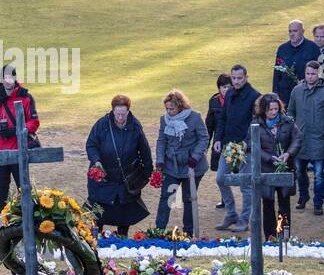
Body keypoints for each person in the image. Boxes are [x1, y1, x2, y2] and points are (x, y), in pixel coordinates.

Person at [85, 95, 153, 236]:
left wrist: (148, 173)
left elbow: (145, 151)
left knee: (124, 214)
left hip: (125, 179)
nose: (121, 117)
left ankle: (122, 240)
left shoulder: (135, 126)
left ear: (128, 111)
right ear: (113, 111)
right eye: (118, 114)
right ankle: (94, 241)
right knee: (99, 213)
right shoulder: (102, 124)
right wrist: (96, 162)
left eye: (123, 114)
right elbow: (91, 144)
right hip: (104, 179)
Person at [154, 90, 209, 236]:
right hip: (172, 166)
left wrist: (195, 157)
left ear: (180, 106)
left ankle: (189, 233)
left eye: (172, 108)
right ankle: (159, 230)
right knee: (167, 197)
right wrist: (160, 161)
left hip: (192, 166)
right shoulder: (164, 119)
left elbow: (204, 138)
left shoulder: (194, 117)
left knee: (189, 199)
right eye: (167, 108)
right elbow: (161, 141)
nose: (169, 111)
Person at [213, 64, 259, 233]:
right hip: (229, 145)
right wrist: (218, 139)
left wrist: (246, 142)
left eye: (240, 78)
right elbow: (223, 118)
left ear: (246, 77)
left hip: (246, 148)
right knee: (220, 178)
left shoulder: (255, 97)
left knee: (245, 185)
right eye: (234, 78)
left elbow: (256, 123)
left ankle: (244, 219)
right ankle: (232, 213)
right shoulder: (230, 93)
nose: (237, 81)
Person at [0, 64, 38, 211]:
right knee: (1, 192)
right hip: (0, 151)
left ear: (15, 78)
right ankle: (2, 225)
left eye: (10, 77)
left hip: (19, 150)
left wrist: (17, 131)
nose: (7, 81)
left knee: (24, 190)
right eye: (4, 78)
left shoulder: (26, 98)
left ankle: (25, 223)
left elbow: (34, 122)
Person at [252, 93, 299, 239]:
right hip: (266, 169)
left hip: (284, 168)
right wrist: (268, 158)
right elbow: (253, 146)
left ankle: (284, 236)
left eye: (276, 109)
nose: (273, 112)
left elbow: (297, 139)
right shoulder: (256, 124)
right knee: (268, 204)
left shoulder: (287, 122)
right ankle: (270, 236)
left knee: (284, 204)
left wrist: (288, 154)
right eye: (270, 109)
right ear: (263, 110)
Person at [288, 60, 324, 216]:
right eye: (308, 73)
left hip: (319, 140)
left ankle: (318, 203)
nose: (310, 76)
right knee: (300, 171)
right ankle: (303, 196)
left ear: (319, 74)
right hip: (300, 140)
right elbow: (290, 111)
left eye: (313, 73)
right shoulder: (296, 91)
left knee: (319, 175)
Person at [273, 19, 321, 107]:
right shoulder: (282, 49)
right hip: (285, 96)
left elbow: (320, 73)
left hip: (306, 94)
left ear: (302, 32)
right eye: (290, 31)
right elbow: (277, 74)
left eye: (295, 31)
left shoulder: (313, 48)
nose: (292, 34)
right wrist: (275, 95)